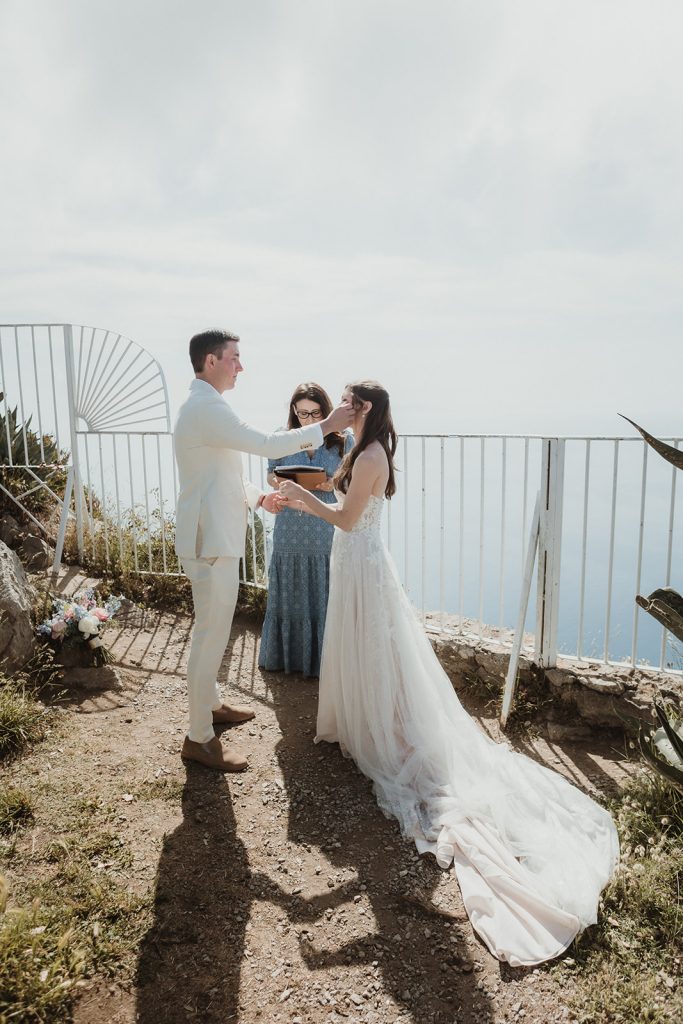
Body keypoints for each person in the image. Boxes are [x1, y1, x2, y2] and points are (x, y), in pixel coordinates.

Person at [278, 380, 620, 967]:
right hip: (357, 564)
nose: (337, 410)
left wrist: (298, 498)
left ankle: (383, 730)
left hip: (361, 565)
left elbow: (346, 519)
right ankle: (362, 722)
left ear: (363, 410)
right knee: (363, 652)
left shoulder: (372, 455)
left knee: (377, 655)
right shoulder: (358, 450)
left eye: (345, 402)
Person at [173, 330, 354, 773]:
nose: (241, 366)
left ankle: (210, 706)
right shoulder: (205, 406)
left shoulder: (207, 406)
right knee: (209, 633)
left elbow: (225, 474)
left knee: (214, 628)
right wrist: (329, 425)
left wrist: (258, 499)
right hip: (210, 539)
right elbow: (270, 446)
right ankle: (199, 738)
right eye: (235, 358)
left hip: (216, 535)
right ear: (212, 360)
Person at [259, 382, 354, 677]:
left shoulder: (344, 442)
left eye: (315, 414)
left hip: (325, 521)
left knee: (326, 584)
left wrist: (330, 483)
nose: (310, 421)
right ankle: (289, 659)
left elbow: (351, 483)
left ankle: (324, 662)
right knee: (290, 585)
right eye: (303, 414)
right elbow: (270, 473)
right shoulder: (282, 437)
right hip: (290, 523)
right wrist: (281, 481)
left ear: (326, 412)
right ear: (294, 412)